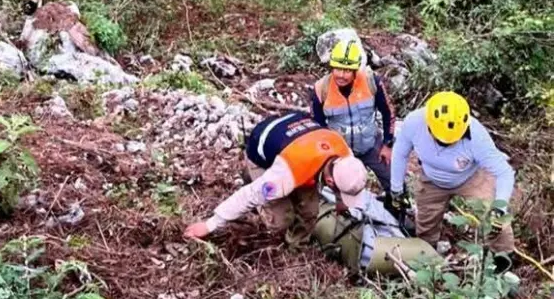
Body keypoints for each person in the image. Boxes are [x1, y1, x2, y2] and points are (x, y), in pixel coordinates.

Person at [183, 110, 368, 243]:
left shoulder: (344, 153)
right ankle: (252, 175)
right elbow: (250, 195)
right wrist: (209, 225)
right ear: (329, 181)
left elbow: (344, 181)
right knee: (281, 220)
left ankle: (297, 245)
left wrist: (341, 201)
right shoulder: (287, 172)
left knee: (310, 212)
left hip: (295, 135)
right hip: (263, 151)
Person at [390, 91, 515, 267]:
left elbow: (504, 172)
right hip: (431, 179)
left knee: (495, 220)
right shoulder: (414, 122)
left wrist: (499, 206)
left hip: (471, 178)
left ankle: (504, 259)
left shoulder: (477, 136)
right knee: (426, 223)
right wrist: (396, 189)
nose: (445, 144)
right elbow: (400, 153)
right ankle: (427, 259)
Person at [311, 39, 395, 194]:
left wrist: (387, 144)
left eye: (347, 70)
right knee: (339, 190)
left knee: (394, 182)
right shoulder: (321, 89)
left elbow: (388, 112)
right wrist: (328, 159)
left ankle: (399, 212)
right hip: (340, 152)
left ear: (356, 70)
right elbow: (318, 128)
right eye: (337, 69)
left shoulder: (371, 81)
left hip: (371, 145)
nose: (341, 75)